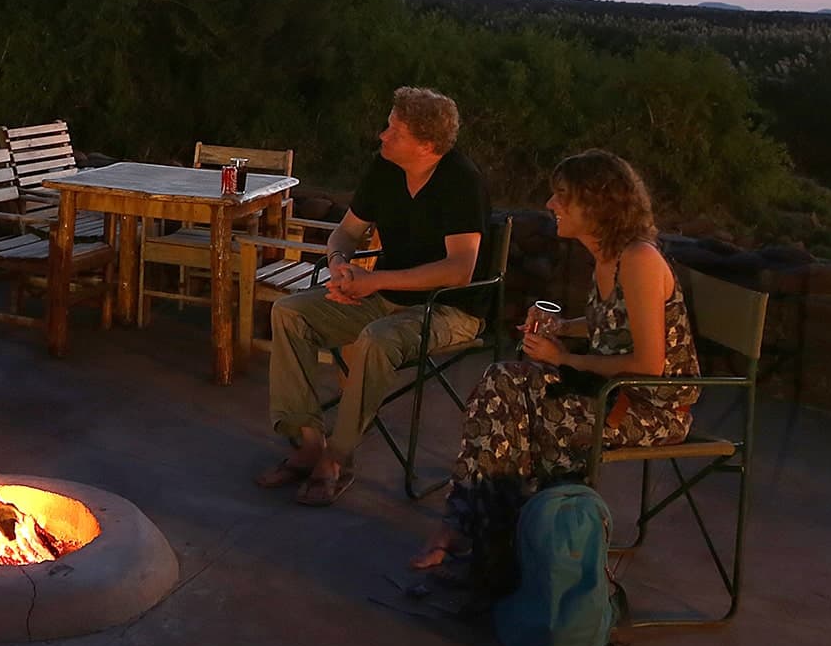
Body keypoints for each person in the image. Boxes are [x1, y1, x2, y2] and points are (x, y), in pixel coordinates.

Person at [410, 149, 700, 574]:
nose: (550, 205)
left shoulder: (638, 260)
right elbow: (614, 323)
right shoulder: (607, 257)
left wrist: (564, 359)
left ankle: (517, 542)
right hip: (613, 392)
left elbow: (650, 363)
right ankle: (468, 522)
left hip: (654, 408)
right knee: (501, 381)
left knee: (542, 416)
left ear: (597, 203)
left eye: (563, 196)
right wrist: (564, 327)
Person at [258, 86, 489, 506]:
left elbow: (460, 270)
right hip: (385, 295)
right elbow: (346, 231)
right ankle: (309, 442)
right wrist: (341, 266)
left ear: (426, 145)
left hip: (450, 310)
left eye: (394, 131)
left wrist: (377, 281)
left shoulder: (461, 181)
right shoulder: (384, 169)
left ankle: (337, 457)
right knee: (290, 313)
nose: (382, 136)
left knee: (376, 339)